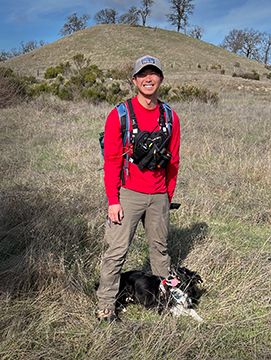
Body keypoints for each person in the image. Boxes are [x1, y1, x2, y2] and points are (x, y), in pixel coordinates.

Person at [96, 55, 180, 322]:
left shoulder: (170, 116)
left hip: (159, 196)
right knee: (116, 251)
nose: (148, 78)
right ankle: (106, 304)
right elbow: (111, 161)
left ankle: (164, 299)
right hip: (127, 195)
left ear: (161, 79)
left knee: (160, 250)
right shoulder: (119, 115)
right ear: (134, 81)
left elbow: (174, 161)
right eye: (142, 74)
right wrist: (113, 200)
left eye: (153, 73)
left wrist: (167, 197)